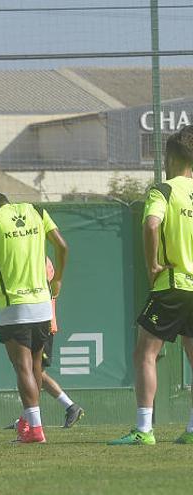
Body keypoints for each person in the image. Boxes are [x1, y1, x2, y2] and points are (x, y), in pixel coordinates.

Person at [110, 126, 193, 445]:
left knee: (145, 353)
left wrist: (153, 265)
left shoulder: (164, 190)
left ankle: (144, 429)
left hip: (172, 286)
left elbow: (151, 223)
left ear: (171, 158)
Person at [0, 192, 68, 444]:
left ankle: (34, 430)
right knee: (34, 367)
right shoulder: (37, 212)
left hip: (15, 305)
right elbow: (62, 246)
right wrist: (57, 279)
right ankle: (32, 426)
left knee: (22, 367)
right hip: (43, 305)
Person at [4, 258, 84, 430]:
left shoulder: (40, 261)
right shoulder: (37, 258)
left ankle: (68, 407)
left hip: (42, 323)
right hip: (38, 321)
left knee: (35, 371)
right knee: (33, 371)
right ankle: (29, 417)